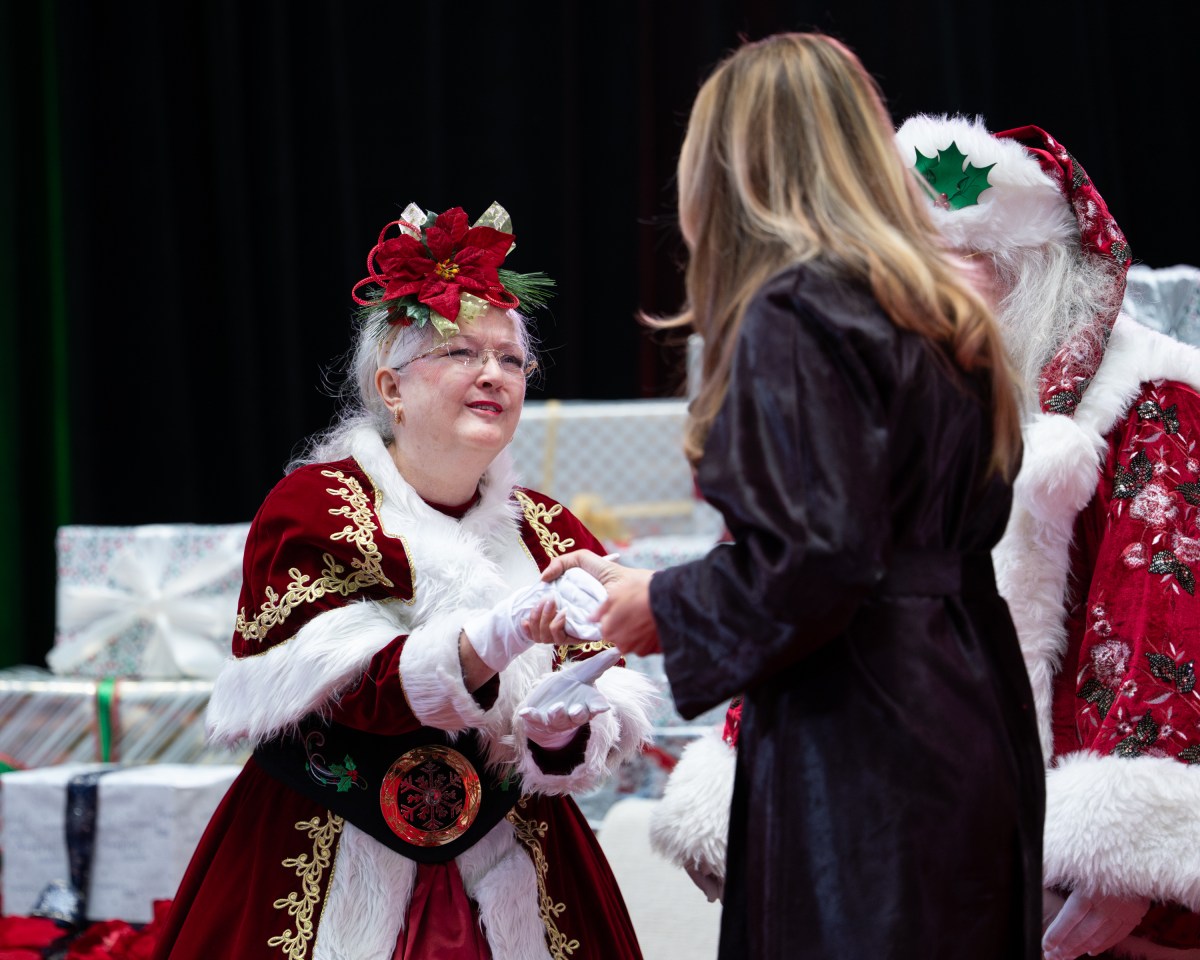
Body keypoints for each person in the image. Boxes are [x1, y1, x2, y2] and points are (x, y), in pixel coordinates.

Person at [544, 33, 1046, 960]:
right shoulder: (939, 312)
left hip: (867, 739)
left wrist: (659, 605)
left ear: (733, 171)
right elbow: (866, 537)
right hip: (967, 704)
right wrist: (662, 585)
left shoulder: (798, 310)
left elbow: (820, 560)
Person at [151, 201, 659, 960]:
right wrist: (499, 636)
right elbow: (349, 687)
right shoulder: (315, 508)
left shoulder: (551, 531)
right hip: (327, 847)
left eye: (511, 359)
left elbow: (594, 727)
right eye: (460, 353)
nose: (493, 374)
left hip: (513, 861)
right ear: (391, 387)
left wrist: (560, 734)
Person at [895, 115, 1200, 960]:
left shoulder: (1148, 397)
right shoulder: (921, 422)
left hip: (1078, 875)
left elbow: (1162, 621)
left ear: (1026, 274)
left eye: (948, 274)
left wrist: (1126, 860)